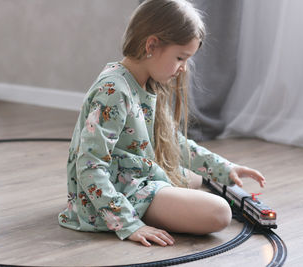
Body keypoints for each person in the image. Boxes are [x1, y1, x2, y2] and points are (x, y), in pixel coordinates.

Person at [58, 0, 265, 247]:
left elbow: (172, 141)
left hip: (135, 174)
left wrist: (224, 167)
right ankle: (135, 206)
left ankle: (176, 193)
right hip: (122, 190)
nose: (183, 69)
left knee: (196, 178)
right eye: (180, 57)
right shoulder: (114, 90)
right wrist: (129, 224)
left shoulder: (144, 83)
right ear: (152, 45)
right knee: (220, 213)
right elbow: (89, 165)